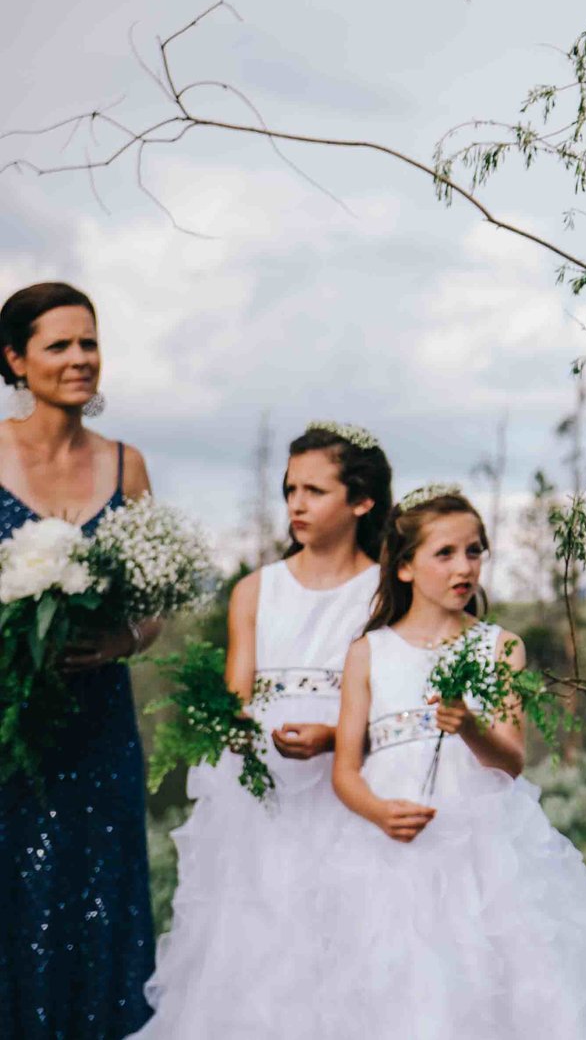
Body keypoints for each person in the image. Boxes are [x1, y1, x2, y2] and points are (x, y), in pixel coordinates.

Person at [311, 488, 586, 1037]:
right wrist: (380, 813)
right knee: (403, 995)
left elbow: (510, 762)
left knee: (490, 989)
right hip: (389, 856)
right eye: (446, 553)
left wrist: (469, 725)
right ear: (406, 567)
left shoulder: (500, 647)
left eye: (475, 551)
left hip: (483, 853)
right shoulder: (369, 653)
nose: (465, 567)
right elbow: (345, 770)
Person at [140, 420, 392, 1036]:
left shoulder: (386, 590)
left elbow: (399, 697)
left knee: (350, 945)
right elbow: (239, 694)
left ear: (361, 501)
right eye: (289, 490)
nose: (296, 505)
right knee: (259, 945)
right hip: (264, 794)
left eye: (314, 490)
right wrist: (233, 727)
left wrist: (335, 736)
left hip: (350, 788)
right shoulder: (256, 591)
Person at [0, 281, 158, 1040]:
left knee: (101, 907)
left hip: (100, 728)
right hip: (10, 727)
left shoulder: (127, 466)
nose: (79, 358)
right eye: (59, 344)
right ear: (15, 360)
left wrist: (122, 640)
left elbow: (156, 599)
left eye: (88, 342)